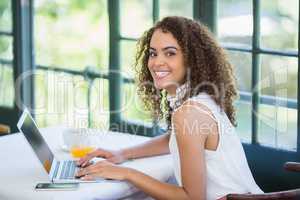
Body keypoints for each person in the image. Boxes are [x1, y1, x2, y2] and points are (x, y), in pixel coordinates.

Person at [76, 16, 263, 200]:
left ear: (192, 59)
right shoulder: (202, 98)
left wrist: (127, 173)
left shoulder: (189, 113)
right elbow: (176, 138)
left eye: (170, 53)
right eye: (153, 53)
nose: (157, 62)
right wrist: (122, 154)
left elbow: (192, 198)